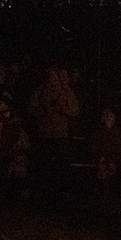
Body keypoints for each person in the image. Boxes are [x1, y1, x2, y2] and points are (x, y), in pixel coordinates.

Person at [28, 65, 79, 203]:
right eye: (50, 76)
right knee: (43, 162)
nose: (53, 79)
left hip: (61, 133)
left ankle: (63, 190)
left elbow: (75, 110)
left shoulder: (66, 92)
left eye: (55, 76)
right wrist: (44, 110)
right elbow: (32, 109)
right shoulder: (40, 91)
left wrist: (63, 110)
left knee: (62, 163)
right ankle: (43, 190)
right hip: (44, 133)